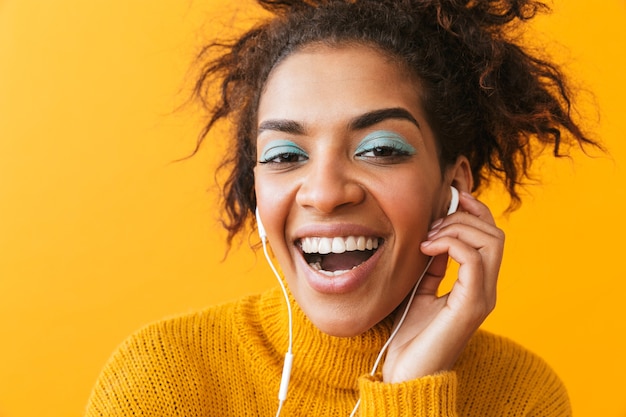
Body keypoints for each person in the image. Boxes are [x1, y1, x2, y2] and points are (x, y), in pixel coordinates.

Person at [85, 0, 600, 415]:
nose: (326, 192)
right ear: (257, 189)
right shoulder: (161, 379)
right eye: (286, 155)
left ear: (454, 187)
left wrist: (411, 393)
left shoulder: (522, 397)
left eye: (379, 149)